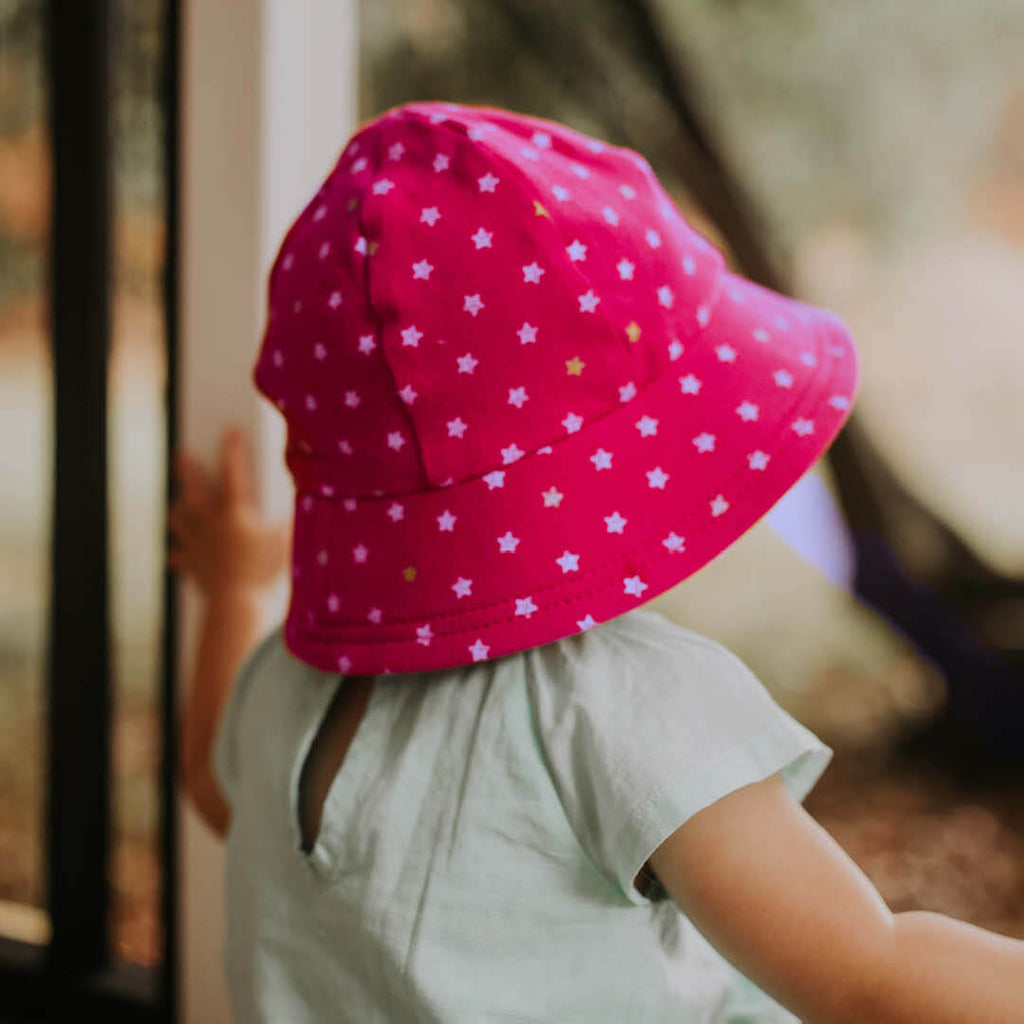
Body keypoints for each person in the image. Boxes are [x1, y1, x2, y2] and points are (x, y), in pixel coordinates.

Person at [170, 101, 1024, 1022]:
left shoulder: (284, 690)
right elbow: (868, 975)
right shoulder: (615, 709)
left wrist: (231, 596)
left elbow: (217, 789)